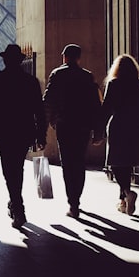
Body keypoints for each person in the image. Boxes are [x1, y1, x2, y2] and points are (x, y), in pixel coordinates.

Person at [0, 44, 47, 228]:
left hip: (3, 131)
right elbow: (39, 111)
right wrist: (41, 134)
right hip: (23, 131)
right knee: (17, 168)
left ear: (5, 60)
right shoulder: (30, 82)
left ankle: (17, 205)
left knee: (9, 170)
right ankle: (16, 203)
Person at [43, 43, 103, 218]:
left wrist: (44, 126)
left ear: (65, 57)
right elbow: (96, 105)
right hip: (83, 126)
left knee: (68, 163)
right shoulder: (87, 76)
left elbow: (48, 102)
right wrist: (98, 131)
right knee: (79, 162)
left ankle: (73, 203)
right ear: (79, 58)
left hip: (65, 124)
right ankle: (77, 199)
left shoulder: (57, 74)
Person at [101, 54, 139, 215]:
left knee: (115, 163)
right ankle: (123, 201)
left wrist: (99, 127)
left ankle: (128, 192)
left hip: (118, 125)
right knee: (128, 163)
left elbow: (107, 107)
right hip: (134, 127)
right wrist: (138, 119)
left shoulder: (114, 84)